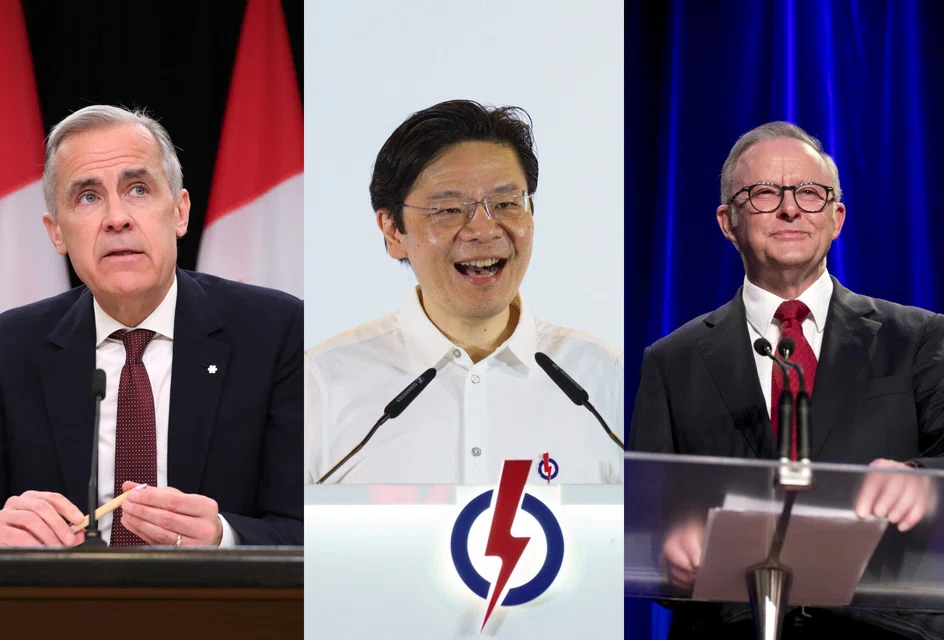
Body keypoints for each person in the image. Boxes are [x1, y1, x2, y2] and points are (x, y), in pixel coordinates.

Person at [628, 121, 944, 638]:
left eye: (810, 193)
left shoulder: (919, 338)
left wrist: (921, 478)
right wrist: (672, 549)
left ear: (837, 218)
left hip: (886, 629)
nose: (791, 208)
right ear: (727, 221)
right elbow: (648, 525)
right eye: (764, 193)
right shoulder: (672, 361)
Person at [0, 105, 303, 547]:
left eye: (138, 189)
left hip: (221, 611)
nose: (117, 218)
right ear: (56, 232)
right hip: (64, 612)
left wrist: (222, 537)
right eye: (88, 197)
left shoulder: (278, 333)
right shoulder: (3, 351)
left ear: (179, 212)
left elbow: (308, 528)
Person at [304, 99, 623, 485]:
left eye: (506, 204)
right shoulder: (321, 384)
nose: (484, 230)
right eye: (449, 209)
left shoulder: (604, 381)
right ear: (392, 231)